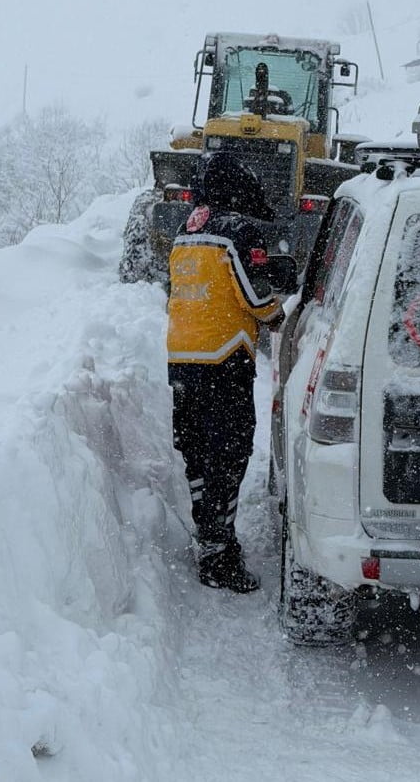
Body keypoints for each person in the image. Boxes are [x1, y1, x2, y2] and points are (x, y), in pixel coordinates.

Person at [166, 151, 283, 593]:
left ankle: (208, 533)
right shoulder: (237, 231)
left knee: (196, 452)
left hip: (181, 358)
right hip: (223, 359)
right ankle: (219, 555)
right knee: (229, 454)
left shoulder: (184, 230)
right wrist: (278, 315)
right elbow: (256, 299)